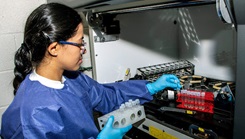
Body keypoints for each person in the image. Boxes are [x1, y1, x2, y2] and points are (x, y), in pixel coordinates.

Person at [0, 3, 181, 139]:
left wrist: (150, 88)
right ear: (54, 48)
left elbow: (106, 95)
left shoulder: (72, 79)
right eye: (79, 43)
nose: (83, 49)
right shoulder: (32, 115)